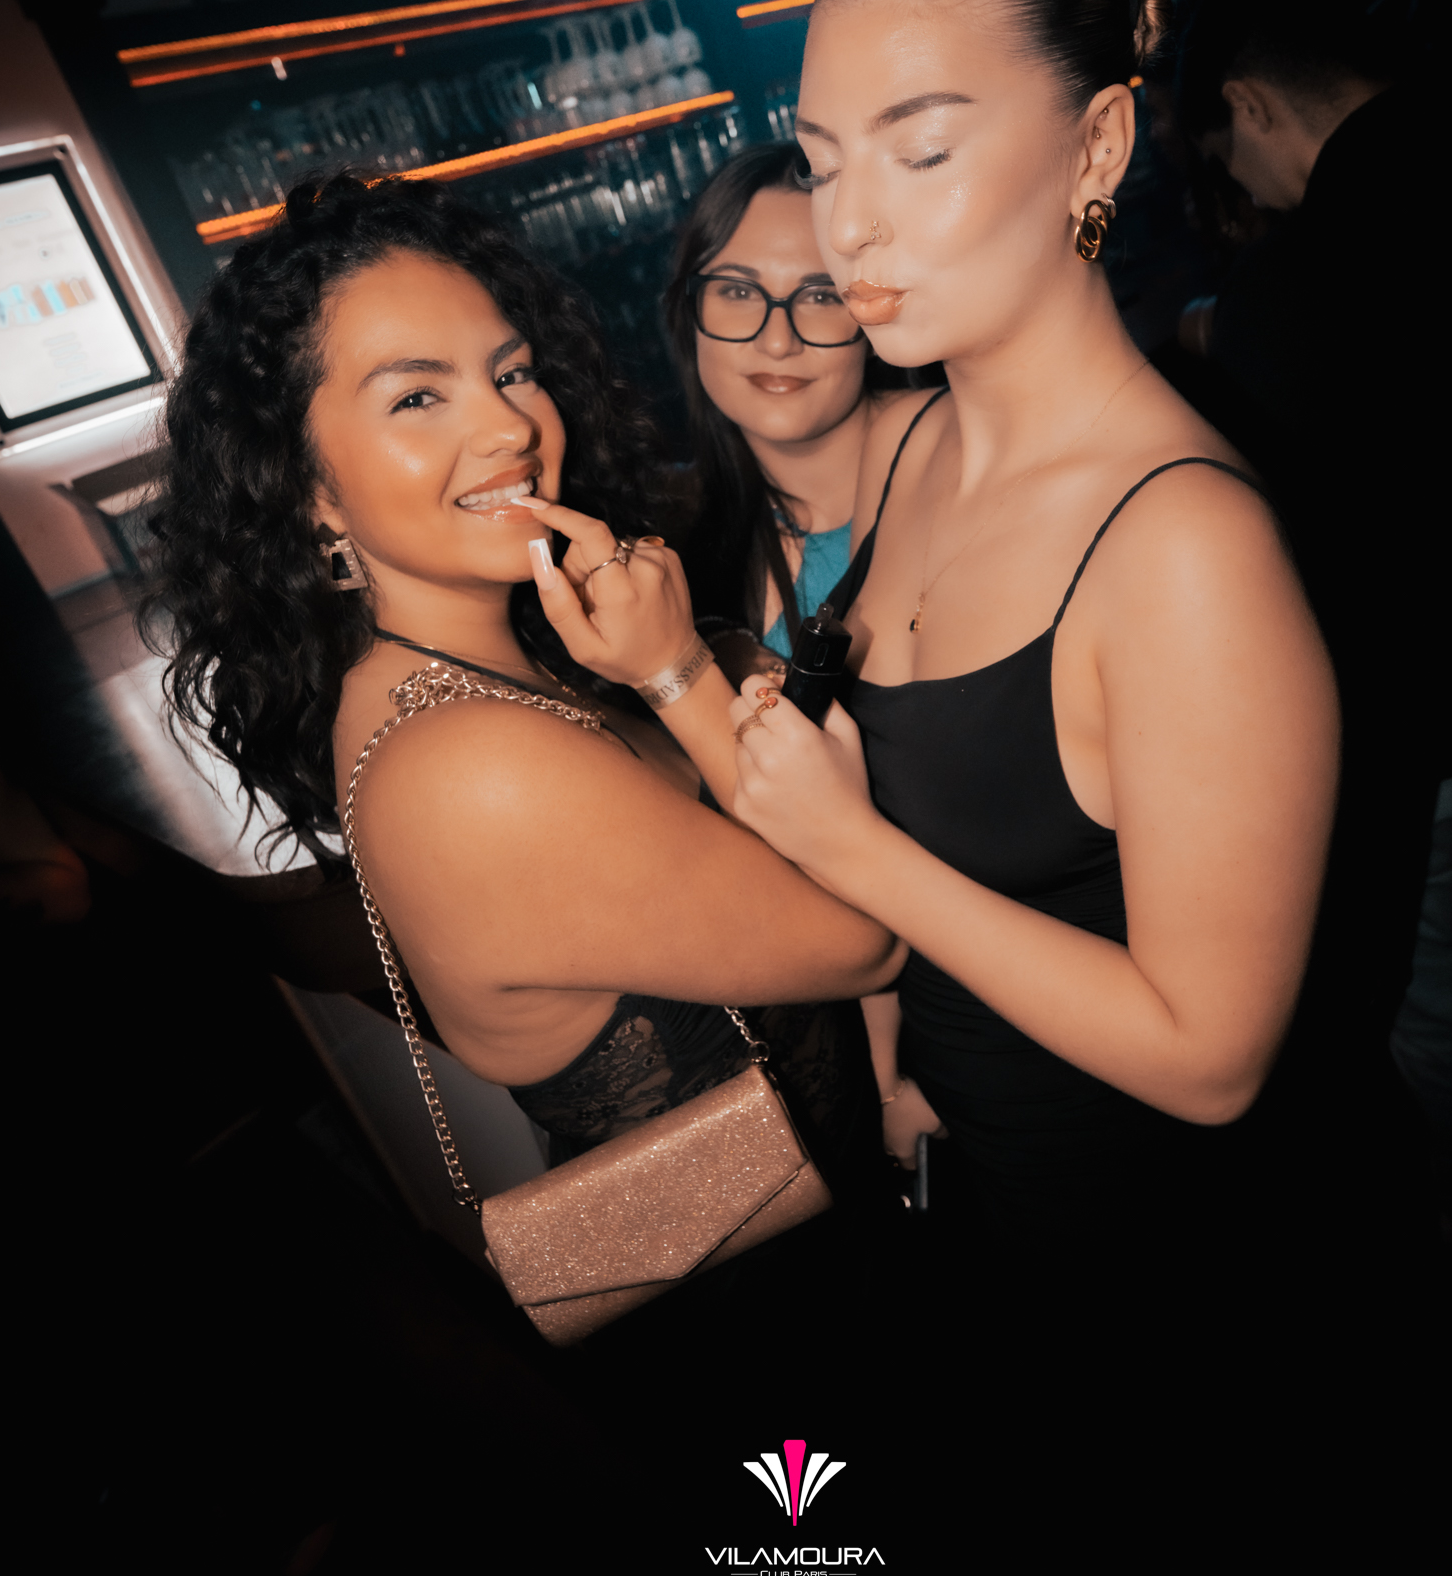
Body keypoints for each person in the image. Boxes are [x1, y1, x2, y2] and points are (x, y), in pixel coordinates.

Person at [667, 0, 1340, 1280]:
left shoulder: (1182, 546)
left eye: (919, 153)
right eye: (824, 160)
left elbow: (1213, 1058)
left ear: (1098, 145)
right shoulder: (913, 448)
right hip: (973, 1192)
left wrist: (856, 850)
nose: (849, 228)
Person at [145, 173, 901, 1205]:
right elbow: (866, 943)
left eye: (513, 372)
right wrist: (679, 671)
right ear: (308, 486)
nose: (509, 428)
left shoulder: (492, 669)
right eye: (418, 396)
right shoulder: (470, 767)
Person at [1174, 0, 1452, 1196]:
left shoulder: (1292, 282)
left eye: (1231, 159)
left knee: (1447, 997)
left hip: (1424, 721)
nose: (1243, 189)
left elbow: (1292, 541)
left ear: (1252, 104)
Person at [663, 140, 916, 679]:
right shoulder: (669, 534)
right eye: (737, 292)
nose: (778, 342)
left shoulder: (963, 469)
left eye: (822, 296)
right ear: (688, 311)